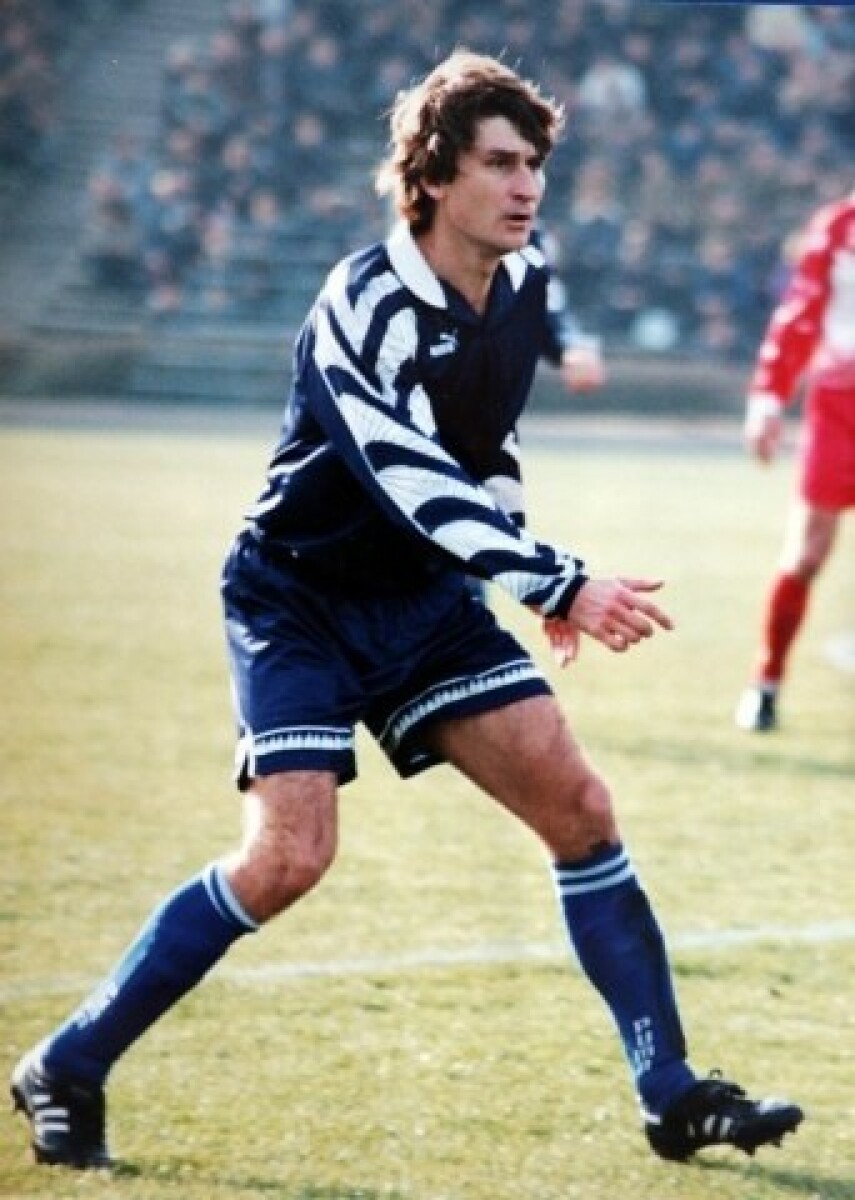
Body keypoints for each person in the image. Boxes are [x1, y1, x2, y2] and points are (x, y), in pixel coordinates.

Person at [12, 50, 803, 1172]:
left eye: (534, 164)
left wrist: (520, 564)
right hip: (300, 597)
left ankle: (669, 1091)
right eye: (499, 164)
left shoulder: (524, 283)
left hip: (427, 598)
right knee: (289, 856)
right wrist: (554, 579)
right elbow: (405, 471)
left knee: (581, 810)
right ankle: (67, 1063)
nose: (527, 186)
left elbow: (487, 445)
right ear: (430, 177)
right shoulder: (363, 301)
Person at [735, 193, 855, 732]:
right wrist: (767, 399)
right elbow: (800, 315)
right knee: (807, 553)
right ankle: (766, 682)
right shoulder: (839, 227)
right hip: (841, 405)